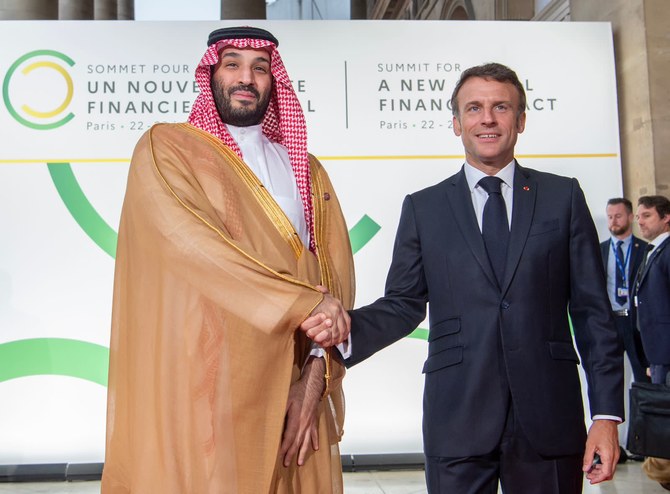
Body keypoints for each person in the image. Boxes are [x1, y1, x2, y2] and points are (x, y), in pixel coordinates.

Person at [304, 62, 624, 493]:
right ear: (456, 123)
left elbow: (592, 313)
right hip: (457, 416)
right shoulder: (424, 208)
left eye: (501, 107)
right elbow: (403, 304)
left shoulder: (562, 198)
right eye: (473, 108)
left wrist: (606, 415)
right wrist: (345, 329)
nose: (487, 119)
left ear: (521, 120)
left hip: (549, 416)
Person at [101, 26, 355, 494]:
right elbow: (192, 245)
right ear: (210, 74)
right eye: (232, 64)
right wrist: (303, 303)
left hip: (298, 373)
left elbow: (334, 275)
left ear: (273, 81)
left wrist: (316, 373)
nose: (246, 77)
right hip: (210, 376)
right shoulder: (168, 149)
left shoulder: (307, 167)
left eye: (260, 68)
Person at [633, 195, 670, 491]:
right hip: (658, 354)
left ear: (666, 217)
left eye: (646, 216)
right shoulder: (652, 252)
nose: (639, 221)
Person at [600, 198, 649, 383]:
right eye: (610, 216)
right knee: (609, 377)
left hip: (636, 321)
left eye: (618, 216)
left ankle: (643, 412)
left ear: (630, 217)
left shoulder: (644, 249)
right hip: (610, 321)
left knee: (642, 375)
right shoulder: (599, 250)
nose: (613, 221)